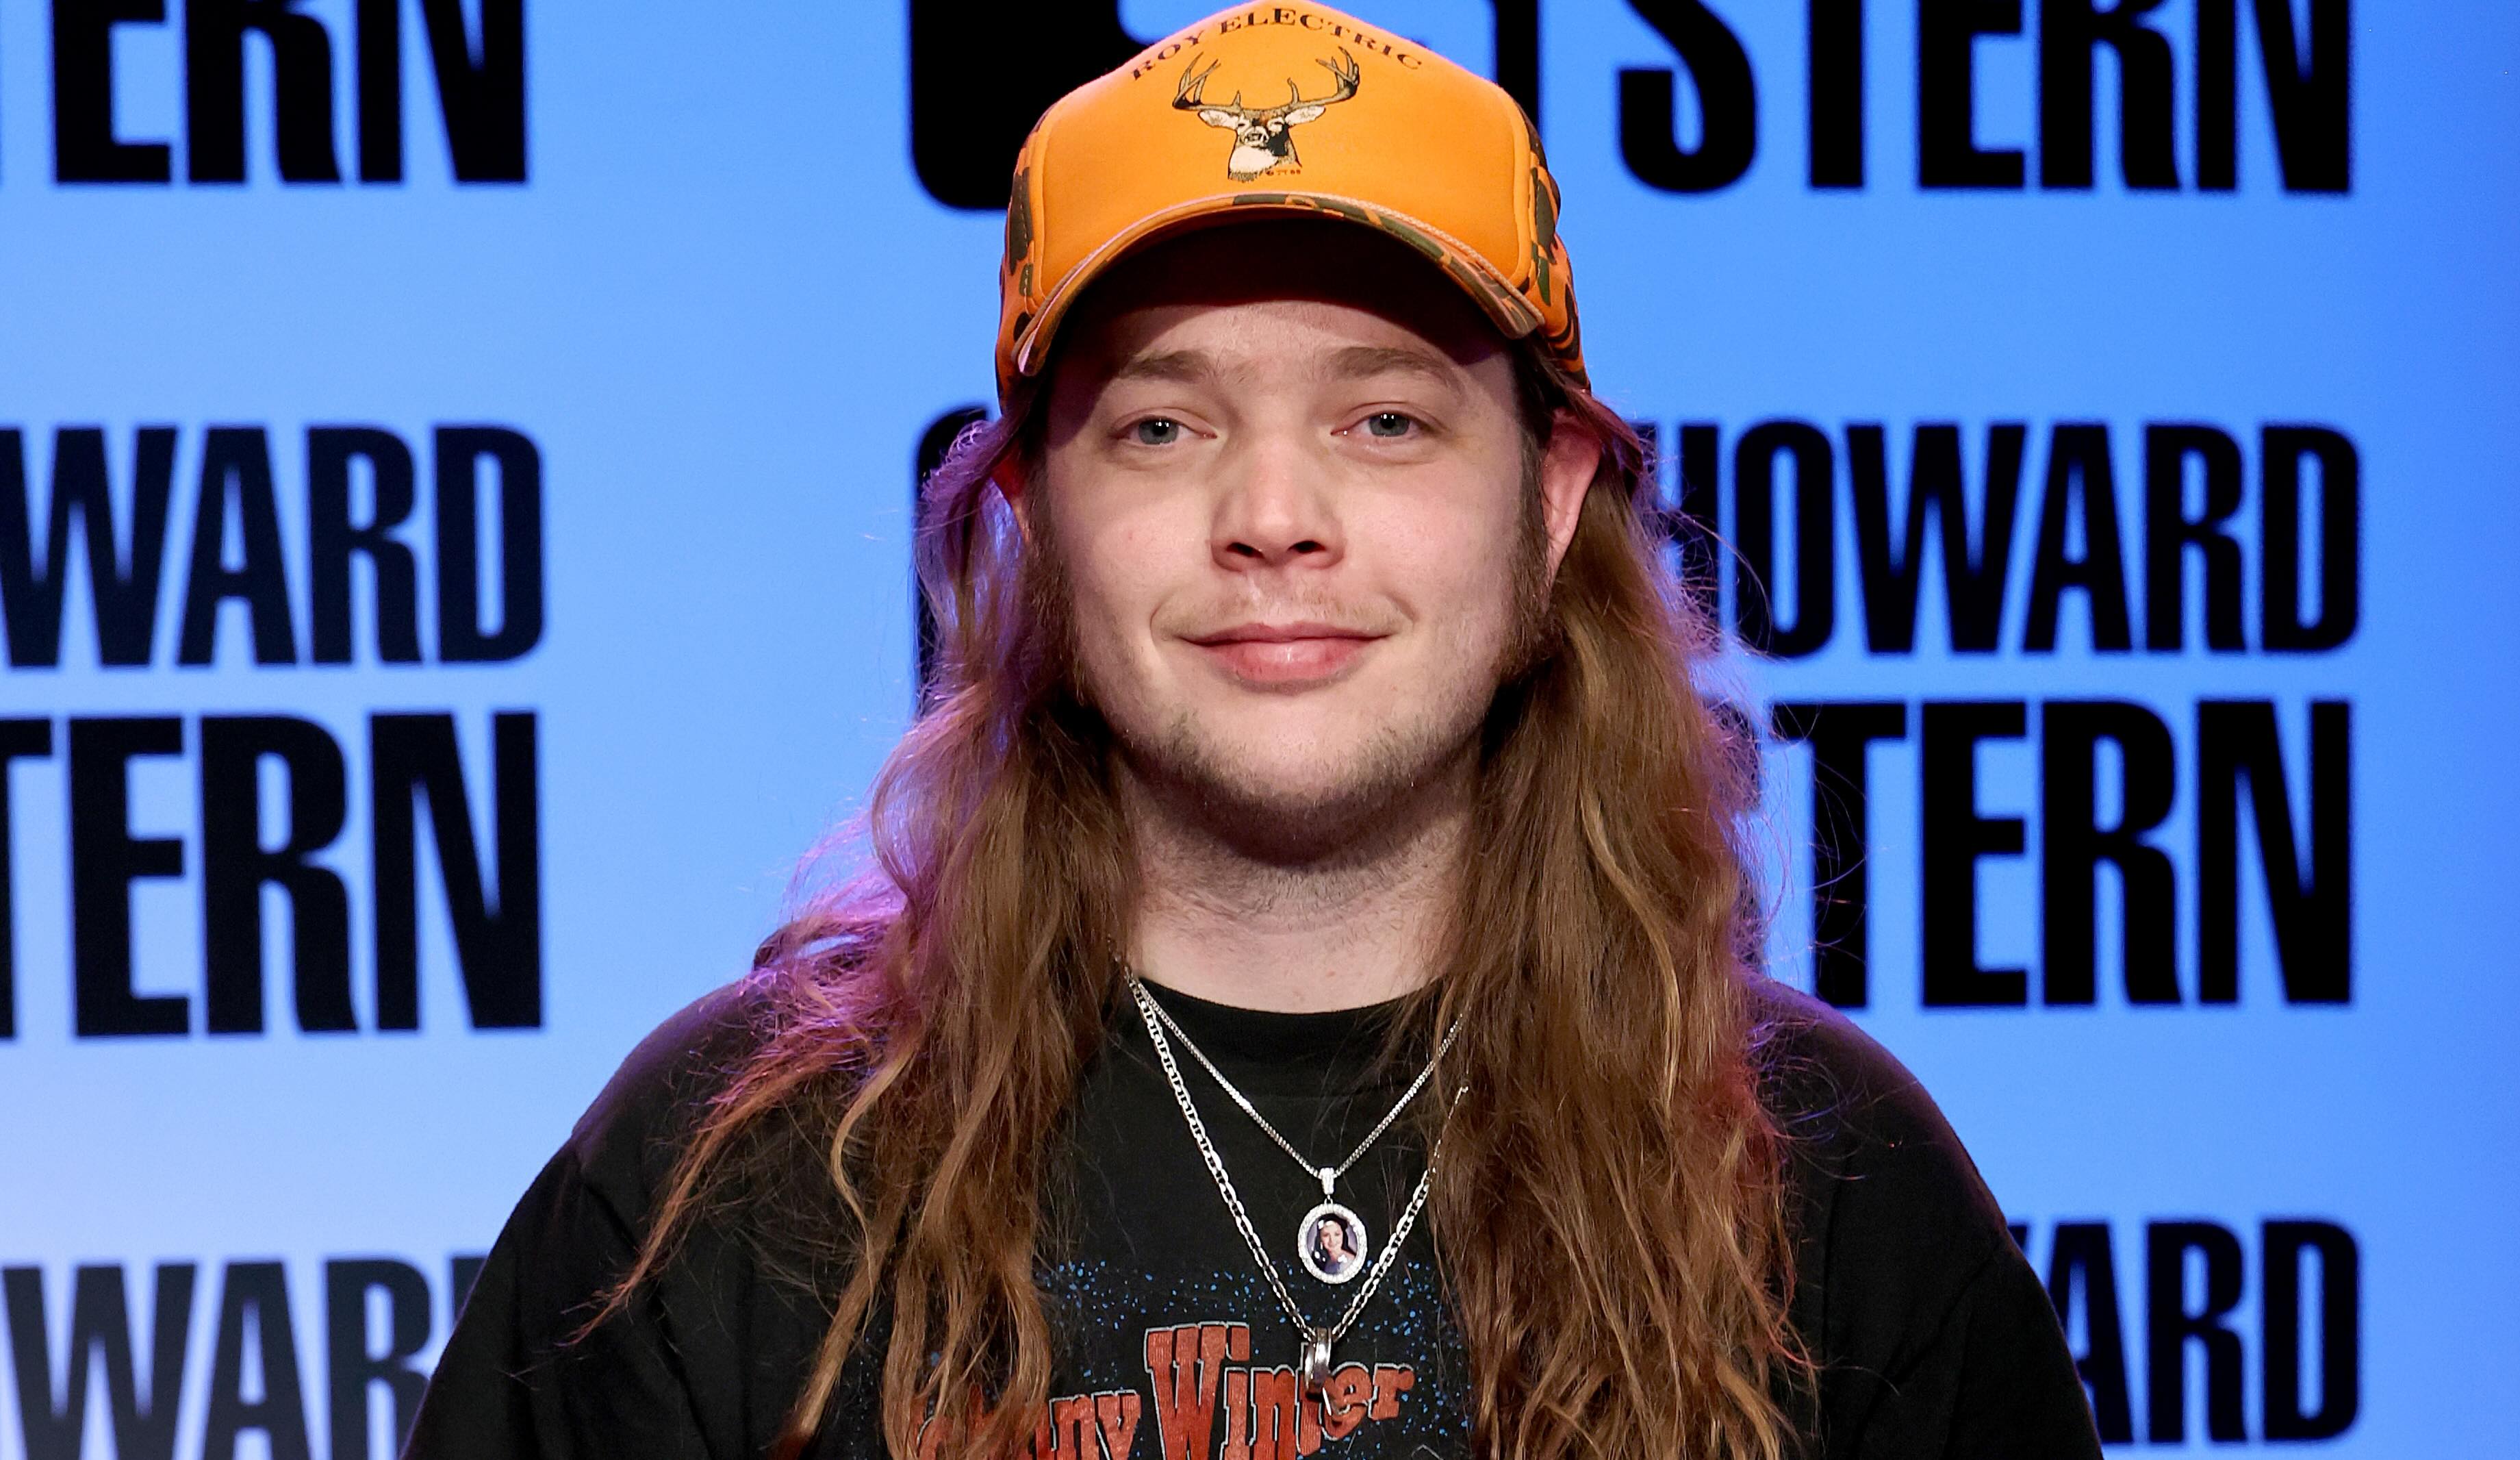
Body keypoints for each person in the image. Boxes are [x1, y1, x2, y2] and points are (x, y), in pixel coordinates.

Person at [402, 6, 2102, 1459]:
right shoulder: (734, 1186)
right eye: (1162, 424)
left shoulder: (1823, 1183)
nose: (1274, 515)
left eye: (1386, 418)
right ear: (1035, 521)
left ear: (1550, 500)